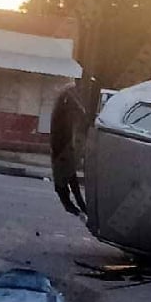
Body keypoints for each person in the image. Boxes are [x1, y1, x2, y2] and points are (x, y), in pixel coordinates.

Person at [50, 82, 88, 216]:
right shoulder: (68, 96)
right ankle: (78, 206)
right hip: (62, 141)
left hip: (62, 141)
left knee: (69, 174)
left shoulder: (66, 96)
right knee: (68, 174)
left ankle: (79, 206)